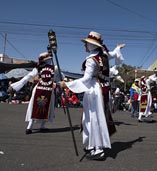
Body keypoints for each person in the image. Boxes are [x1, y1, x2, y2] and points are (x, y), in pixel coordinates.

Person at [59, 31, 125, 160]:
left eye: (87, 44)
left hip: (94, 91)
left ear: (93, 45)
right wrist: (118, 48)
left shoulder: (91, 60)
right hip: (104, 89)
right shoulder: (104, 56)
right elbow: (113, 54)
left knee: (93, 118)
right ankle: (92, 144)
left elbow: (86, 79)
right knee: (96, 118)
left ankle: (98, 149)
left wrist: (67, 84)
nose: (85, 46)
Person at [10, 52, 61, 134]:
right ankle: (29, 127)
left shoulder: (53, 68)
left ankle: (41, 126)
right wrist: (19, 83)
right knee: (35, 107)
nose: (50, 61)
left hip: (48, 90)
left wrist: (57, 83)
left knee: (47, 107)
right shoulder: (40, 68)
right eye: (49, 59)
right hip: (41, 89)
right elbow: (29, 76)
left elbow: (60, 78)